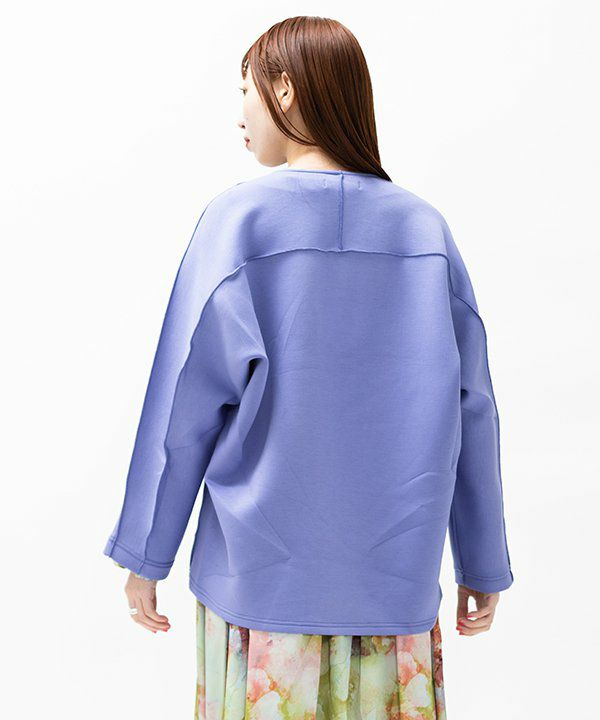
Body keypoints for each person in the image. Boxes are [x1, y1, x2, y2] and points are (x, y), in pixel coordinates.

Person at [103, 15, 514, 719]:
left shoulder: (239, 222)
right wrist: (481, 558)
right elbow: (472, 407)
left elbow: (184, 403)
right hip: (394, 596)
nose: (240, 113)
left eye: (246, 90)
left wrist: (147, 551)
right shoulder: (425, 231)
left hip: (258, 594)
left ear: (285, 89)